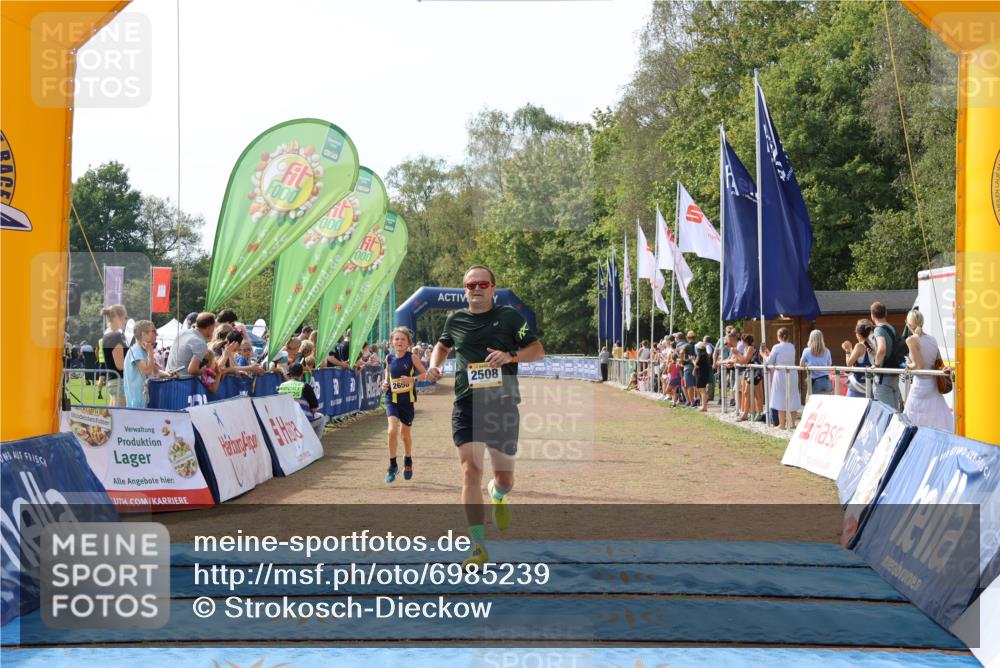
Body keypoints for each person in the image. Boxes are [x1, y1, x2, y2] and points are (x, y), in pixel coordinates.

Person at [425, 266, 544, 569]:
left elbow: (537, 349)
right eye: (470, 285)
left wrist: (511, 356)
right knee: (469, 471)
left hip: (502, 404)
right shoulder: (456, 320)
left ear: (493, 288)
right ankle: (477, 547)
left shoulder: (510, 317)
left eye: (482, 284)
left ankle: (498, 494)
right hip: (467, 404)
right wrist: (435, 364)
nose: (476, 288)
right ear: (464, 289)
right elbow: (442, 345)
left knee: (504, 479)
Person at [381, 327, 428, 482]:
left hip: (407, 402)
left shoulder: (411, 357)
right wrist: (385, 384)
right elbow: (387, 376)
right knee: (391, 431)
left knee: (405, 435)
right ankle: (393, 465)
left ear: (408, 343)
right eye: (396, 339)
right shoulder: (389, 358)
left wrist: (412, 380)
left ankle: (408, 460)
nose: (399, 341)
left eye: (403, 339)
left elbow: (425, 374)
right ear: (392, 342)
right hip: (391, 400)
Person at [902, 310, 953, 432]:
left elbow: (918, 365)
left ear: (909, 324)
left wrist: (908, 365)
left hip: (920, 386)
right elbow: (938, 360)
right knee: (936, 419)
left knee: (912, 420)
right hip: (933, 385)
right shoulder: (932, 339)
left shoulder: (911, 340)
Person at [123, 320, 174, 407]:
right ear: (143, 334)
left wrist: (168, 374)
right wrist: (150, 352)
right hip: (136, 403)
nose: (157, 334)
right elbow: (147, 371)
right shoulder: (136, 350)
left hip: (144, 400)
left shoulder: (144, 350)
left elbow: (155, 371)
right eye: (154, 331)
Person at [278, 362, 328, 439]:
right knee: (321, 418)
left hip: (286, 421)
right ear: (302, 373)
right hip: (303, 422)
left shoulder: (281, 386)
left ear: (289, 374)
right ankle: (315, 443)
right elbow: (314, 409)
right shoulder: (305, 386)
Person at [765, 327, 801, 429]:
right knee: (793, 395)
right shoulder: (792, 346)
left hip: (780, 374)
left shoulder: (776, 347)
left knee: (780, 396)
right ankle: (793, 423)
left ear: (778, 336)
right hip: (792, 373)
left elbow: (769, 362)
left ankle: (782, 424)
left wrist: (764, 355)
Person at [871, 301, 903, 410]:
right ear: (886, 313)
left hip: (883, 378)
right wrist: (876, 354)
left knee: (885, 414)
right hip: (894, 375)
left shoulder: (878, 329)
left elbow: (882, 348)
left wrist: (876, 364)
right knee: (896, 414)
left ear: (872, 315)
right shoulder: (892, 328)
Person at [167, 312, 216, 377]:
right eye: (214, 326)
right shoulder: (200, 343)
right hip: (183, 382)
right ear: (210, 327)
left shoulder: (182, 333)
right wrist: (203, 370)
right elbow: (192, 370)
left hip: (168, 379)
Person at [100, 304, 128, 406]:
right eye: (125, 317)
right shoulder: (115, 336)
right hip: (119, 382)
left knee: (115, 417)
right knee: (121, 418)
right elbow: (120, 365)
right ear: (118, 317)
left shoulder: (109, 335)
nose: (126, 321)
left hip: (115, 382)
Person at [842, 319, 875, 398]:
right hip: (871, 386)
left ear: (858, 334)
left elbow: (849, 364)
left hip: (858, 386)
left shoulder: (859, 346)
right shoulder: (875, 344)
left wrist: (848, 350)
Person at [800, 329, 833, 396]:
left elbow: (801, 365)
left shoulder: (806, 351)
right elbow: (829, 365)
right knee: (824, 402)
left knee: (810, 400)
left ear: (811, 338)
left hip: (813, 380)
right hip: (825, 379)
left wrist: (809, 365)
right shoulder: (827, 351)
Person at [694, 342, 712, 412]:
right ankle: (703, 405)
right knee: (701, 390)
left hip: (701, 374)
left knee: (702, 390)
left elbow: (697, 365)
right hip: (702, 374)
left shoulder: (702, 356)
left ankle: (704, 407)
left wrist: (693, 360)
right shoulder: (705, 355)